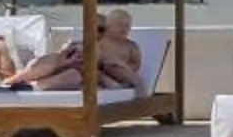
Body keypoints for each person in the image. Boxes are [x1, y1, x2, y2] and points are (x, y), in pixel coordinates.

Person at [10, 8, 144, 93]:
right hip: (57, 69)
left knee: (74, 75)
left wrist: (110, 73)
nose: (99, 33)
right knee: (52, 60)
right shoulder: (79, 44)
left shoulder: (125, 47)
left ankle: (31, 87)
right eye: (97, 29)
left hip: (81, 76)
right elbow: (59, 60)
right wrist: (66, 60)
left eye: (102, 29)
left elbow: (129, 70)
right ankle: (14, 81)